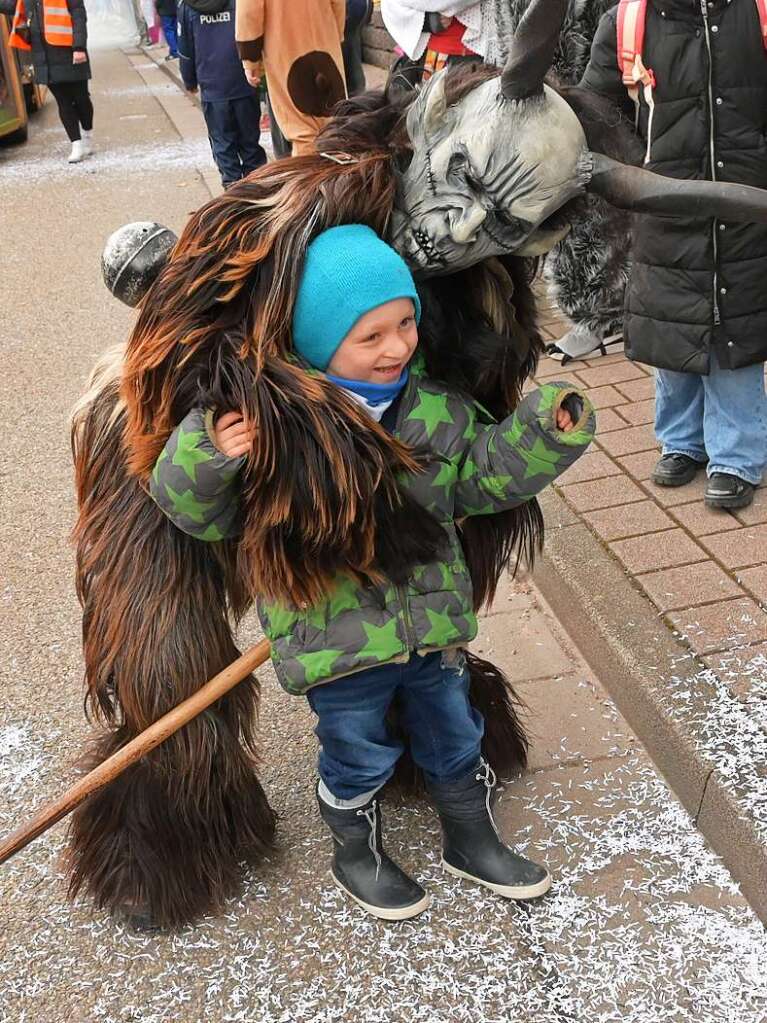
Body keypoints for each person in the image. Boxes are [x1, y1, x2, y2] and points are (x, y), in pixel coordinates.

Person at [148, 224, 595, 920]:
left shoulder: (435, 411)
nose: (397, 346)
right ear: (323, 341)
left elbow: (478, 481)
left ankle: (469, 838)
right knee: (357, 751)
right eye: (371, 335)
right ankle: (356, 849)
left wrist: (540, 433)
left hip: (430, 630)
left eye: (405, 322)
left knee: (456, 736)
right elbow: (197, 514)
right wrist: (210, 454)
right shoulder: (275, 424)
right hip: (336, 645)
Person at [579, 0, 767, 510]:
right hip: (662, 198)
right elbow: (597, 113)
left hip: (745, 195)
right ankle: (681, 439)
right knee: (669, 314)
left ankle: (736, 454)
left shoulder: (757, 13)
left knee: (736, 318)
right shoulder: (627, 21)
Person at [235, 0, 347, 157]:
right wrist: (336, 34)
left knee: (302, 132)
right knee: (333, 124)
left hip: (285, 48)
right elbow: (339, 4)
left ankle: (310, 179)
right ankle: (339, 176)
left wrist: (250, 59)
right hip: (325, 41)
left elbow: (249, 12)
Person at [177, 0, 266, 188]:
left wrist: (189, 80)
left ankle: (233, 192)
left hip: (212, 87)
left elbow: (185, 47)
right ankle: (257, 190)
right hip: (243, 81)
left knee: (223, 145)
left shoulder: (187, 6)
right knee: (250, 142)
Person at [8, 0, 94, 163]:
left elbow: (78, 15)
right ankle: (76, 143)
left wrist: (79, 47)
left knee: (81, 98)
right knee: (63, 101)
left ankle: (87, 133)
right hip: (44, 57)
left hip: (70, 51)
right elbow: (11, 5)